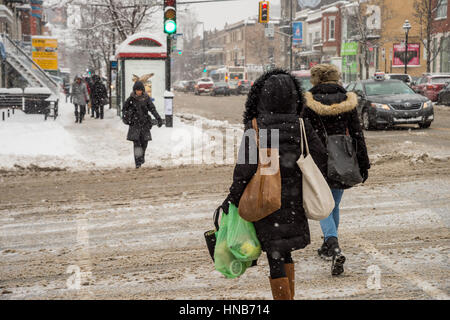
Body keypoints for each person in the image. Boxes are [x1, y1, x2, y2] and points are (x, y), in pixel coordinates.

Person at [220, 69, 327, 300]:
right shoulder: (300, 125)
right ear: (294, 97)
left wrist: (233, 197)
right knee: (285, 252)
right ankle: (289, 295)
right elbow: (320, 157)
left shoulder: (256, 127)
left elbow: (244, 169)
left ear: (262, 97)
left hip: (266, 198)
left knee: (275, 255)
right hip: (293, 198)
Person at [301, 64, 371, 276]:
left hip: (318, 157)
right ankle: (329, 243)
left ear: (315, 79)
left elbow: (303, 133)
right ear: (335, 78)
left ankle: (331, 243)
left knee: (324, 203)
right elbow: (357, 133)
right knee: (334, 203)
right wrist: (363, 161)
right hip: (343, 158)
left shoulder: (307, 102)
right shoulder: (348, 100)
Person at [122, 81, 164, 169]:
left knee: (144, 143)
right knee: (137, 144)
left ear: (143, 90)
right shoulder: (131, 99)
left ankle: (141, 157)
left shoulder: (146, 98)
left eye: (140, 90)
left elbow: (152, 109)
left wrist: (158, 118)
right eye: (137, 90)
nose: (139, 92)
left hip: (145, 124)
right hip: (135, 125)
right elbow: (124, 110)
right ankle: (137, 163)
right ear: (134, 90)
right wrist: (128, 118)